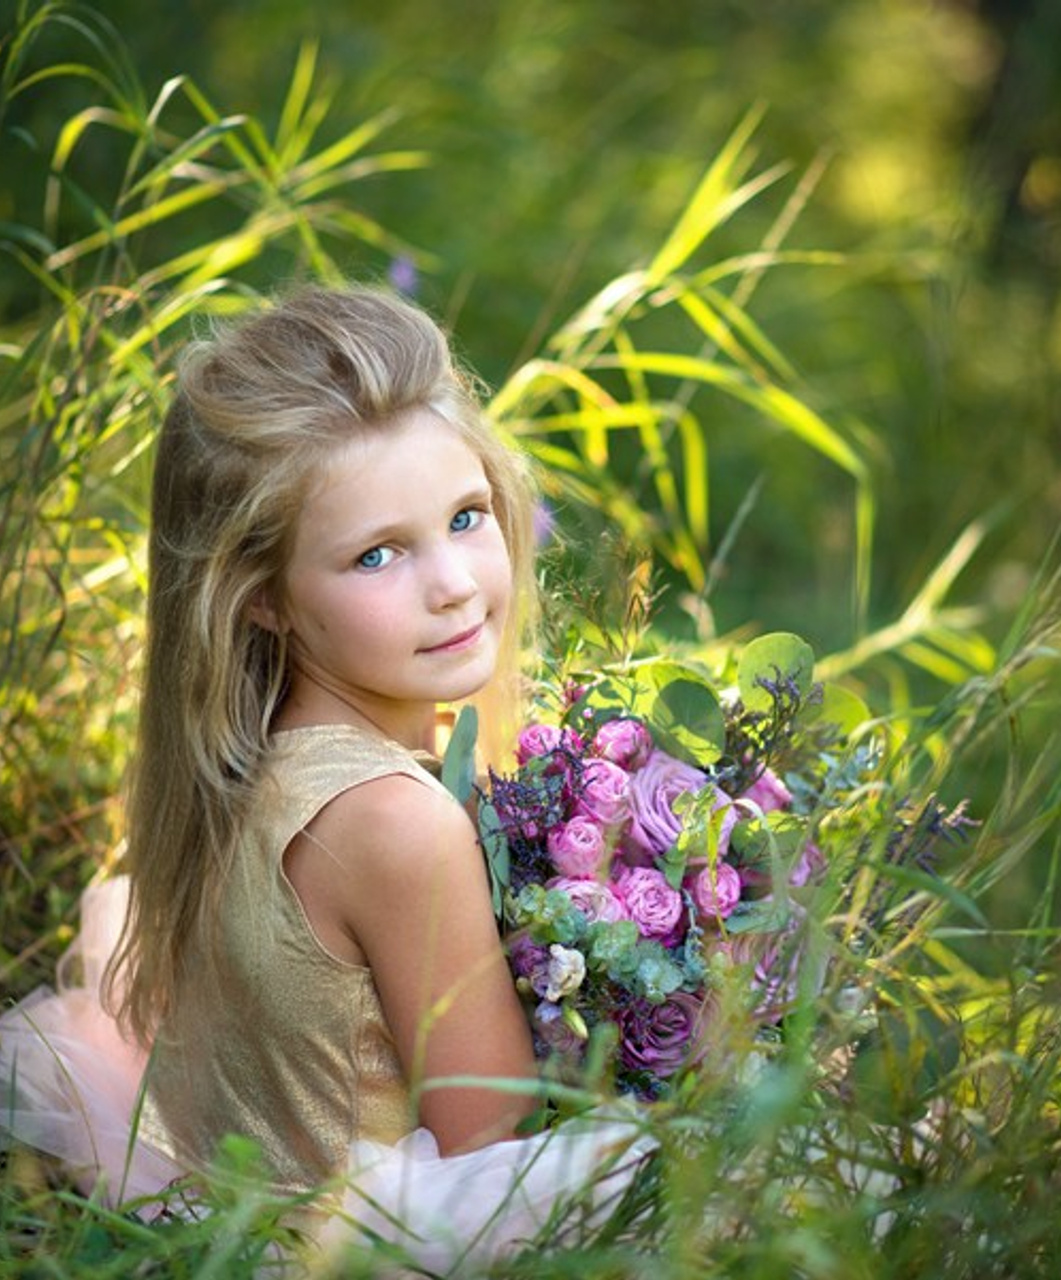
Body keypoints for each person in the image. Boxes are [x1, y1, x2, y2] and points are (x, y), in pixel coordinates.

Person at [0, 286, 648, 1273]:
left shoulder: (251, 760)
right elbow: (502, 1154)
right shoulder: (395, 823)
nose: (454, 582)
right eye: (376, 553)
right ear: (261, 598)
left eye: (466, 516)